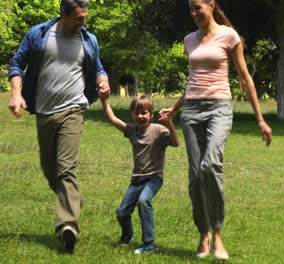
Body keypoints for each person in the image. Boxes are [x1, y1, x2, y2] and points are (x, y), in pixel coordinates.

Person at [159, 0, 272, 260]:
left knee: (210, 165)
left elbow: (245, 78)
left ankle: (218, 232)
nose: (194, 13)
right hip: (191, 112)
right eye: (190, 9)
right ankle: (203, 234)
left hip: (219, 108)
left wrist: (260, 119)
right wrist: (176, 108)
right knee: (196, 177)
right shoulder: (189, 40)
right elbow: (193, 79)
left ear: (211, 6)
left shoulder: (229, 36)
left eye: (198, 7)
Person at [7, 0, 109, 253]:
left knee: (65, 169)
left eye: (85, 18)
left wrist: (103, 81)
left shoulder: (89, 39)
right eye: (78, 19)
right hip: (43, 111)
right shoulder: (39, 34)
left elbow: (99, 68)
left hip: (73, 109)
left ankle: (68, 226)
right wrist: (16, 94)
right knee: (49, 170)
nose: (83, 23)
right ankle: (72, 198)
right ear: (63, 15)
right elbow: (17, 65)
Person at [99, 89, 180, 254]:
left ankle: (149, 243)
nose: (140, 116)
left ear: (151, 114)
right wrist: (104, 101)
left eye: (144, 113)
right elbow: (113, 119)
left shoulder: (158, 130)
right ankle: (126, 237)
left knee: (144, 201)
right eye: (137, 113)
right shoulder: (131, 131)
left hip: (154, 178)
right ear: (132, 114)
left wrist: (169, 123)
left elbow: (176, 142)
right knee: (122, 213)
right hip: (136, 180)